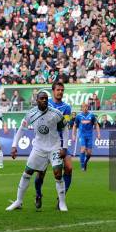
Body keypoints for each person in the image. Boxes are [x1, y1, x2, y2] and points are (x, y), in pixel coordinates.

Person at [7, 91, 69, 211]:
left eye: (46, 98)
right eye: (42, 98)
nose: (44, 100)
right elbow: (21, 129)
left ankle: (62, 203)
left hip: (54, 147)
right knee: (27, 173)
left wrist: (64, 147)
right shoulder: (31, 114)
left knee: (57, 173)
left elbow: (65, 128)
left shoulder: (56, 113)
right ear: (37, 100)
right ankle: (18, 201)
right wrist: (14, 146)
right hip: (39, 148)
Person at [34, 82, 72, 210]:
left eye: (62, 90)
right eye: (58, 90)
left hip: (60, 141)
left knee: (69, 168)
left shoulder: (66, 107)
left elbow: (65, 125)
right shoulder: (45, 102)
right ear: (53, 91)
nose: (60, 92)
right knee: (41, 173)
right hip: (45, 142)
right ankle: (38, 194)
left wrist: (64, 147)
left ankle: (61, 198)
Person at [72, 103, 101, 171]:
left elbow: (96, 125)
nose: (85, 108)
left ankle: (85, 162)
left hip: (90, 135)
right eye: (83, 107)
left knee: (89, 153)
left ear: (88, 107)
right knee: (83, 149)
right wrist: (73, 135)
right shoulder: (78, 116)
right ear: (81, 108)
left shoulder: (91, 115)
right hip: (82, 135)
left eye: (86, 107)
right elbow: (75, 126)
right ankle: (82, 166)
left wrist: (98, 134)